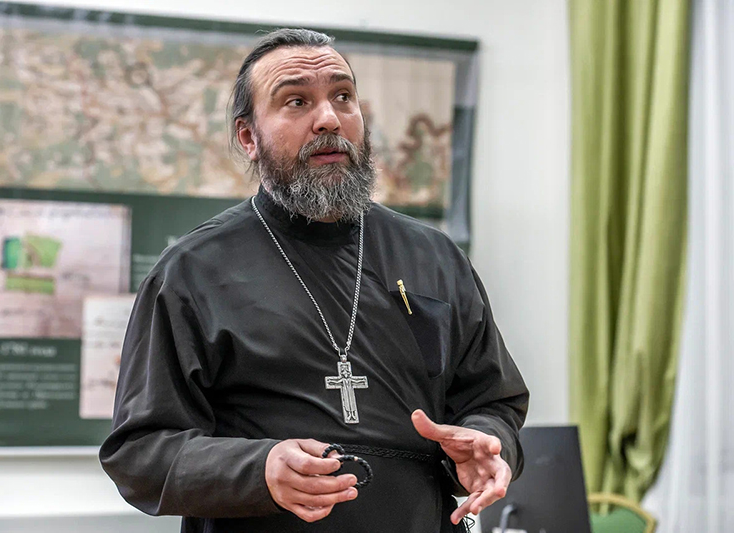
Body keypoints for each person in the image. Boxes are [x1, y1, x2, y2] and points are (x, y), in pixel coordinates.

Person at [100, 28, 529, 533]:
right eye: (297, 101)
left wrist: (487, 442)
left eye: (343, 96)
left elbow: (493, 401)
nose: (329, 118)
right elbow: (140, 451)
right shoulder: (193, 272)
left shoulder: (433, 256)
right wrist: (258, 469)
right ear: (248, 138)